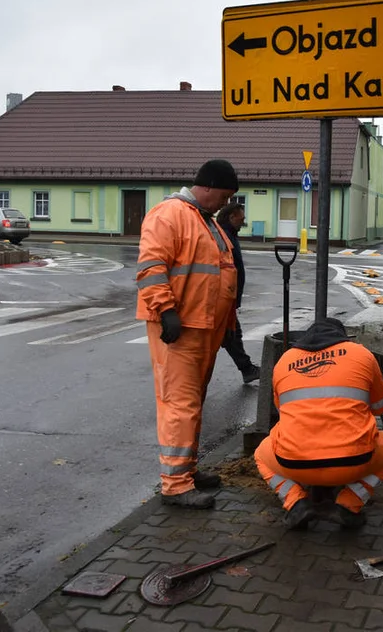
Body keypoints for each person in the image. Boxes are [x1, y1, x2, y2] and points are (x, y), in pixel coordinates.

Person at [136, 159, 241, 509]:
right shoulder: (169, 215)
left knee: (192, 404)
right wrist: (166, 311)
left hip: (204, 328)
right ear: (208, 186)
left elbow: (220, 277)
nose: (224, 204)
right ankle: (176, 484)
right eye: (224, 196)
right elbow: (151, 267)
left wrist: (229, 323)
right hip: (180, 328)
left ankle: (188, 470)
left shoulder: (205, 221)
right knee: (179, 404)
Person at [253, 317, 383, 530]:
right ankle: (348, 504)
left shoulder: (285, 360)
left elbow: (283, 411)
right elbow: (379, 406)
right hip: (353, 463)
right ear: (341, 337)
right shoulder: (360, 354)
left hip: (294, 463)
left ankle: (296, 503)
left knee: (261, 453)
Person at [215, 201, 261, 385]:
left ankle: (247, 369)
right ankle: (247, 368)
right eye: (241, 219)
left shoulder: (229, 235)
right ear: (231, 217)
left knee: (231, 335)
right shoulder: (222, 236)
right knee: (229, 335)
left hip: (229, 298)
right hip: (222, 298)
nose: (243, 222)